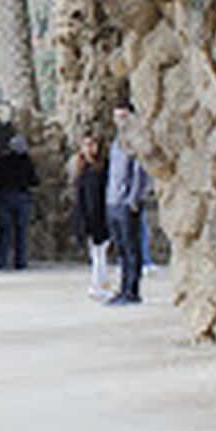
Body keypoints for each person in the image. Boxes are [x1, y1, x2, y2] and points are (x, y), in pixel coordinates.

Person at [105, 105, 151, 305]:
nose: (120, 121)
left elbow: (140, 173)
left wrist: (133, 200)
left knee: (132, 248)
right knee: (121, 249)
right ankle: (123, 288)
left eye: (124, 116)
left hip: (126, 203)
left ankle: (132, 290)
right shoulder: (116, 143)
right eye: (117, 117)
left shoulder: (134, 143)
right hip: (113, 202)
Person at [0, 134, 38, 271]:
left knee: (5, 230)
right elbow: (34, 180)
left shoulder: (3, 160)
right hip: (22, 197)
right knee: (21, 231)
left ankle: (1, 260)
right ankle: (20, 262)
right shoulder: (26, 162)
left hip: (4, 197)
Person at [72, 134, 109, 299]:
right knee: (95, 254)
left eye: (92, 145)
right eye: (86, 145)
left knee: (100, 253)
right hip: (87, 215)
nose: (89, 149)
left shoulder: (102, 168)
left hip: (100, 215)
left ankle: (100, 284)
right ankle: (98, 284)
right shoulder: (82, 169)